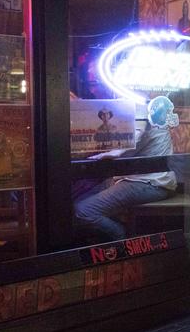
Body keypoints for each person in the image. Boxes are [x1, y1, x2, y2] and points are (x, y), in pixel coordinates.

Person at [73, 96, 178, 242]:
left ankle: (122, 238)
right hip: (136, 179)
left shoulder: (143, 111)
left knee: (82, 211)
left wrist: (109, 152)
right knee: (77, 201)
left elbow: (129, 142)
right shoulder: (139, 110)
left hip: (151, 183)